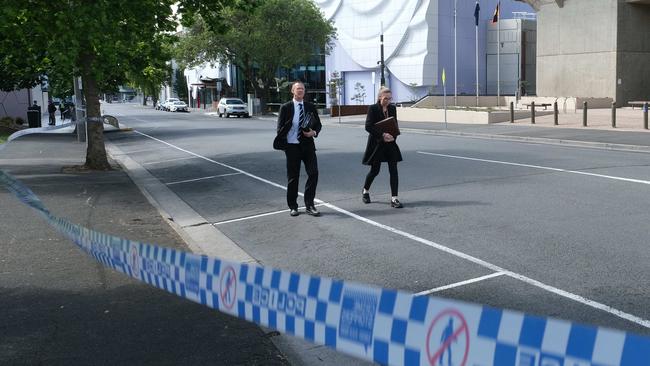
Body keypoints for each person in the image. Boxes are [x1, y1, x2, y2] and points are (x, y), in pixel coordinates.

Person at [276, 81, 323, 217]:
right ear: (292, 91)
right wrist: (285, 145)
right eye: (298, 89)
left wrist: (313, 133)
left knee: (313, 173)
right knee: (293, 177)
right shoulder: (286, 107)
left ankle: (309, 205)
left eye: (302, 89)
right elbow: (279, 129)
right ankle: (293, 206)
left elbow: (318, 125)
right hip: (292, 147)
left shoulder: (310, 106)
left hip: (308, 146)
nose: (300, 91)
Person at [361, 87, 403, 208]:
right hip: (377, 144)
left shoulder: (392, 108)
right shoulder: (373, 108)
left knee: (393, 170)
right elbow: (368, 126)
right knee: (375, 171)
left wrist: (393, 136)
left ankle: (394, 198)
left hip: (390, 143)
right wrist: (382, 135)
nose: (388, 101)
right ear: (380, 97)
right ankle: (365, 191)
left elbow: (394, 124)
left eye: (390, 99)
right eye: (385, 98)